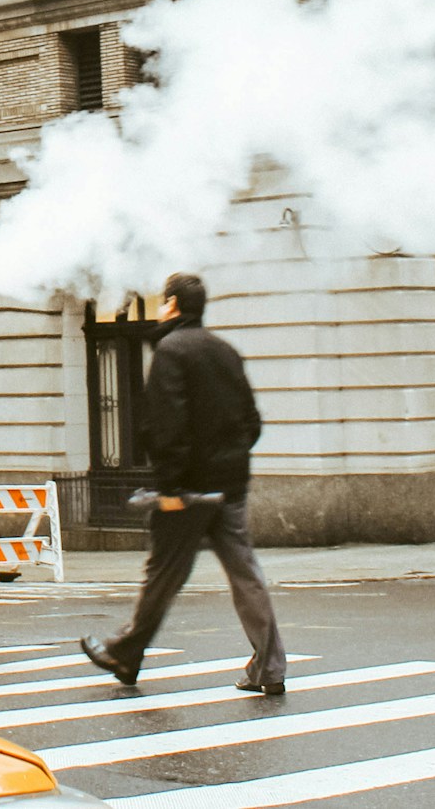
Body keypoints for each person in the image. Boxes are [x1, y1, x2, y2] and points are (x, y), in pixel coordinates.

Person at [83, 272, 288, 694]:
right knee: (245, 575)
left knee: (163, 574)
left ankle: (125, 653)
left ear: (173, 305)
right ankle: (269, 669)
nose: (160, 308)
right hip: (229, 487)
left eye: (163, 302)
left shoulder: (171, 350)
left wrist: (173, 488)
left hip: (190, 489)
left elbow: (166, 426)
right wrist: (228, 462)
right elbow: (252, 422)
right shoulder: (226, 351)